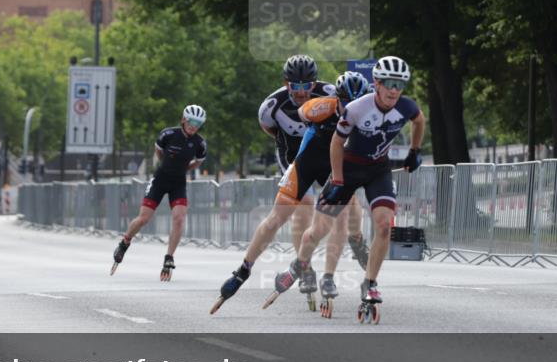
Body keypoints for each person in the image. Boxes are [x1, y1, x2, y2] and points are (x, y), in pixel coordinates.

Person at [272, 56, 424, 323]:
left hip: (378, 170)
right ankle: (299, 263)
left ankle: (370, 283)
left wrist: (414, 151)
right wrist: (339, 179)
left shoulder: (406, 106)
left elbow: (419, 121)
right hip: (348, 170)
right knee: (319, 231)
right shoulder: (356, 108)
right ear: (376, 83)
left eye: (399, 85)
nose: (393, 90)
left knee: (384, 225)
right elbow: (335, 144)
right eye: (388, 84)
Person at [211, 71, 370, 315]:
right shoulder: (321, 104)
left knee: (346, 211)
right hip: (303, 162)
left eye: (356, 104)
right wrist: (312, 112)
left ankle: (342, 258)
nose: (351, 108)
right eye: (346, 103)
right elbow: (302, 113)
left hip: (332, 164)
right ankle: (243, 270)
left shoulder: (364, 115)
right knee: (279, 216)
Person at [111, 105, 207, 280]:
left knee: (179, 219)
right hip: (160, 179)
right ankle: (125, 242)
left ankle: (169, 257)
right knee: (144, 219)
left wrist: (184, 169)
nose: (194, 126)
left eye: (198, 123)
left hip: (178, 182)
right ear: (184, 120)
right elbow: (159, 151)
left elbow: (198, 161)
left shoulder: (200, 143)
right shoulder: (168, 135)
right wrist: (167, 165)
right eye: (192, 121)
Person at [257, 55, 337, 252]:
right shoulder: (271, 106)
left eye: (306, 86)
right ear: (286, 84)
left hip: (323, 154)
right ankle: (304, 267)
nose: (301, 92)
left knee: (339, 206)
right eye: (295, 86)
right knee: (305, 205)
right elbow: (268, 128)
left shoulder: (331, 94)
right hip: (292, 156)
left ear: (315, 83)